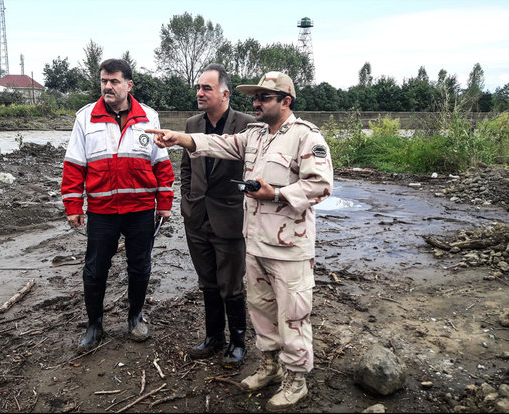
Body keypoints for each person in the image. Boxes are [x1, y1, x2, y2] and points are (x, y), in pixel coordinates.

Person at [147, 71, 333, 411]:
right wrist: (179, 138)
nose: (256, 103)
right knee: (261, 311)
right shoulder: (255, 136)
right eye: (255, 97)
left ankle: (296, 380)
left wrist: (276, 193)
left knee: (292, 314)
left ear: (285, 102)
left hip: (290, 247)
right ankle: (270, 367)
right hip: (256, 241)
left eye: (264, 98)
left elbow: (320, 185)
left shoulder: (306, 137)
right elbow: (218, 144)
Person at [61, 59, 174, 352]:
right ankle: (94, 325)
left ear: (129, 85)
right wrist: (73, 205)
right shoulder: (85, 117)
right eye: (103, 81)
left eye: (113, 81)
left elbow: (161, 164)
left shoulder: (149, 117)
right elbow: (74, 165)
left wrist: (164, 203)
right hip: (102, 211)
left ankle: (135, 317)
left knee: (140, 267)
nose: (107, 86)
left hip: (139, 210)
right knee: (95, 269)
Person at [182, 64, 255, 368]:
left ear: (225, 93)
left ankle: (238, 342)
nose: (199, 93)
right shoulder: (191, 124)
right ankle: (214, 338)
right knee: (207, 281)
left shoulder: (248, 125)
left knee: (231, 284)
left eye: (206, 88)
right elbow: (186, 168)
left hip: (230, 217)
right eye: (198, 88)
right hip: (197, 216)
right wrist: (187, 200)